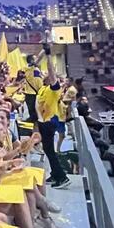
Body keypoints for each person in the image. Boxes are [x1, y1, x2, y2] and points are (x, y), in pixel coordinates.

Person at [36, 44, 70, 189]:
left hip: (49, 122)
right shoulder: (42, 89)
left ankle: (62, 177)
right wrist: (44, 50)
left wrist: (49, 56)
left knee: (50, 150)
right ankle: (55, 174)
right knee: (48, 149)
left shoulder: (53, 89)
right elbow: (36, 64)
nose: (46, 74)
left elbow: (50, 71)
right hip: (42, 121)